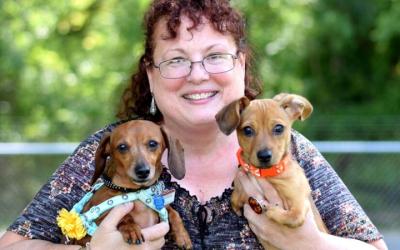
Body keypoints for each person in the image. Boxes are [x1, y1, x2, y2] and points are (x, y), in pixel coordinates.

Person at [0, 0, 388, 249]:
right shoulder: (110, 148)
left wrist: (313, 245)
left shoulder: (288, 149)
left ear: (241, 65)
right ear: (150, 75)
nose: (197, 75)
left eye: (216, 56)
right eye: (176, 60)